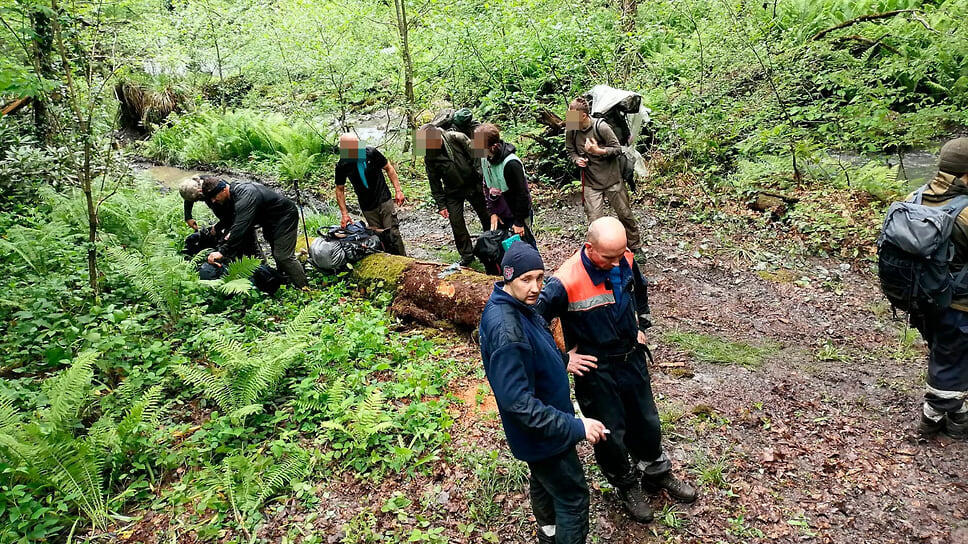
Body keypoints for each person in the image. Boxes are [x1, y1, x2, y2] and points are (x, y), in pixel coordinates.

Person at [536, 217, 696, 523]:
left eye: (621, 254)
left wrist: (641, 324)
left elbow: (639, 289)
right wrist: (563, 359)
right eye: (609, 257)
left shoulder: (624, 257)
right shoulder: (565, 280)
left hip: (631, 357)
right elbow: (533, 322)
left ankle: (655, 471)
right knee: (609, 432)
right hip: (597, 369)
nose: (616, 262)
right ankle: (625, 485)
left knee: (646, 420)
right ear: (590, 248)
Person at [479, 241, 607, 544]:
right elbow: (518, 403)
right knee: (573, 498)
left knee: (543, 481)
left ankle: (547, 535)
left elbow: (534, 354)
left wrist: (562, 360)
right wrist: (577, 426)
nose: (536, 287)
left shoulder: (517, 306)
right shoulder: (507, 330)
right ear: (507, 276)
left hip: (542, 433)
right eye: (526, 279)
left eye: (540, 277)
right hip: (543, 435)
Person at [909, 137, 968, 439]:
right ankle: (934, 418)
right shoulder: (965, 212)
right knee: (952, 356)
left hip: (922, 298)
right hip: (959, 305)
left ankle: (957, 411)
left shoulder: (916, 197)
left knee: (946, 353)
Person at [565, 97, 643, 257]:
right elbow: (570, 150)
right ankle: (598, 254)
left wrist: (597, 151)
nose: (570, 119)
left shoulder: (601, 127)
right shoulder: (572, 128)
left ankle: (635, 246)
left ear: (584, 116)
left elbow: (617, 149)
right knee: (595, 222)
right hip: (590, 182)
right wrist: (576, 159)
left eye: (573, 116)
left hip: (612, 179)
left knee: (625, 215)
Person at [202, 177, 308, 288]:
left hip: (285, 217)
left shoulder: (245, 197)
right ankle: (284, 281)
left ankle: (304, 288)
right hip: (269, 220)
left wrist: (222, 252)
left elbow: (240, 227)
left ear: (223, 189)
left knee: (283, 256)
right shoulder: (233, 193)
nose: (213, 201)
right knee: (277, 253)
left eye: (214, 196)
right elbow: (234, 221)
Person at [419, 124, 489, 266]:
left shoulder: (456, 138)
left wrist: (481, 179)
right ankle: (467, 255)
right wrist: (441, 205)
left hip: (473, 185)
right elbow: (434, 182)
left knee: (486, 216)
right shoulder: (429, 155)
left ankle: (493, 245)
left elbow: (478, 156)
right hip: (452, 191)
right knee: (456, 222)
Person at [334, 133, 406, 256]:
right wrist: (344, 214)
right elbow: (339, 189)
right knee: (378, 236)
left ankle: (403, 261)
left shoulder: (371, 153)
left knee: (392, 233)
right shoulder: (343, 164)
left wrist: (398, 191)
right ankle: (387, 264)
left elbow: (389, 168)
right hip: (367, 205)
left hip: (384, 199)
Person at [472, 123, 536, 247]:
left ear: (493, 147)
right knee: (507, 247)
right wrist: (492, 212)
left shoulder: (511, 164)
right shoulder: (485, 159)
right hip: (500, 212)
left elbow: (522, 195)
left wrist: (519, 222)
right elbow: (486, 186)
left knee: (526, 245)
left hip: (516, 213)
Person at [177, 175, 260, 259]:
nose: (198, 200)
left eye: (198, 198)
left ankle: (258, 261)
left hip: (240, 217)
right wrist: (188, 217)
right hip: (225, 215)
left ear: (200, 190)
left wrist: (218, 227)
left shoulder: (218, 189)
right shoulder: (194, 184)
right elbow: (189, 198)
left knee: (246, 240)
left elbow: (232, 216)